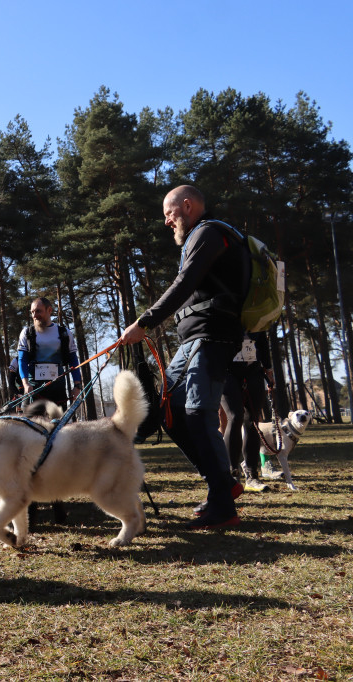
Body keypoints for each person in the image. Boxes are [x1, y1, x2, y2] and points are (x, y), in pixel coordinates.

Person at [119, 185, 250, 530]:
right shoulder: (201, 236)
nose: (166, 222)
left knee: (196, 412)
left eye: (169, 213)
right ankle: (223, 484)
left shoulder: (208, 233)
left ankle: (223, 508)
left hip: (212, 337)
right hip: (193, 340)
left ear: (188, 206)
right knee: (171, 410)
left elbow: (185, 282)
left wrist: (144, 322)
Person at [221, 331, 275, 492]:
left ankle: (252, 476)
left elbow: (262, 341)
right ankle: (232, 474)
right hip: (227, 371)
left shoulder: (255, 318)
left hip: (254, 372)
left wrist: (268, 368)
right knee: (235, 417)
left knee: (253, 422)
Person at [16, 297, 83, 410]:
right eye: (32, 312)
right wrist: (25, 384)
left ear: (49, 310)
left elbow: (73, 360)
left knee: (59, 421)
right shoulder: (27, 333)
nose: (34, 315)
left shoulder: (65, 333)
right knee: (29, 421)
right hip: (33, 389)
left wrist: (77, 385)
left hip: (58, 388)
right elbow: (22, 360)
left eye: (38, 311)